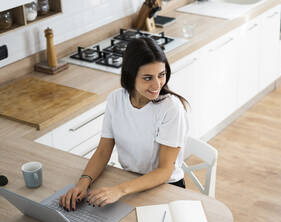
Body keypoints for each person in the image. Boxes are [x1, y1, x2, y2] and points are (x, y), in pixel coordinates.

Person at [59, 37, 189, 211]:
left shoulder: (171, 108)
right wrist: (83, 183)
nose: (157, 84)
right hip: (128, 181)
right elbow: (103, 151)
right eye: (148, 78)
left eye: (161, 75)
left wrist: (120, 190)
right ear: (130, 76)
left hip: (165, 186)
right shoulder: (115, 100)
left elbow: (165, 171)